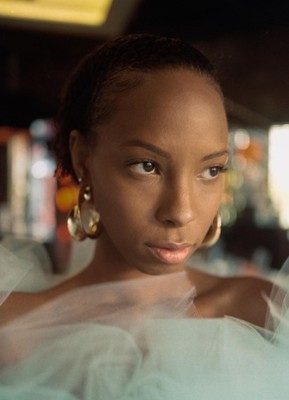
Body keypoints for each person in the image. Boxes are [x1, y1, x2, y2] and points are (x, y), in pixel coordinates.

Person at [0, 34, 288, 399]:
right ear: (83, 158)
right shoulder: (11, 331)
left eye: (211, 170)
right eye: (147, 166)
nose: (181, 211)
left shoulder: (267, 317)